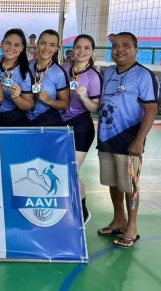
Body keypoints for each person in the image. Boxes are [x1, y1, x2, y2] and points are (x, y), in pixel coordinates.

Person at [97, 32, 159, 248]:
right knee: (113, 183)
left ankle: (132, 226)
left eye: (125, 46)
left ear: (136, 49)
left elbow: (151, 109)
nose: (119, 50)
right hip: (106, 137)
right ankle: (118, 219)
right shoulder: (108, 72)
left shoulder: (143, 75)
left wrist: (140, 139)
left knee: (130, 185)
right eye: (115, 46)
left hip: (129, 140)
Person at [62, 34, 102, 224]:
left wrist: (85, 98)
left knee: (71, 171)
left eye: (87, 48)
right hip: (60, 125)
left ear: (92, 51)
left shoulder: (93, 76)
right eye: (78, 47)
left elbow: (95, 108)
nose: (82, 51)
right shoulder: (64, 68)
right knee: (59, 169)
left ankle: (83, 212)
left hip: (81, 126)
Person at [0, 28, 34, 127]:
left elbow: (29, 105)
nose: (11, 48)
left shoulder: (25, 72)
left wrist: (17, 98)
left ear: (22, 48)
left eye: (17, 45)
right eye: (8, 43)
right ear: (1, 44)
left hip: (11, 118)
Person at [27, 29, 70, 126]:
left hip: (47, 122)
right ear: (37, 44)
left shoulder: (58, 73)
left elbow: (65, 104)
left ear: (57, 48)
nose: (46, 48)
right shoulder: (30, 65)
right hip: (27, 119)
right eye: (43, 43)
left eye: (52, 45)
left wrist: (48, 100)